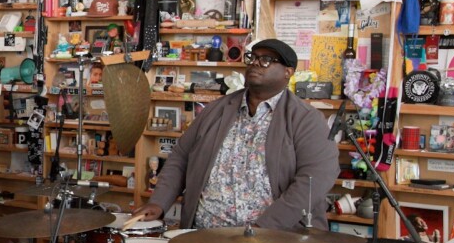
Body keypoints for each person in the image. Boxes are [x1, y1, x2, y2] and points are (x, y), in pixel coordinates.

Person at [133, 39, 338, 230]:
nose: (255, 63)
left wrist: (263, 229)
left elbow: (314, 180)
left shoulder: (306, 119)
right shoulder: (215, 110)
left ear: (288, 72)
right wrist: (159, 202)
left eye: (266, 60)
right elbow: (180, 158)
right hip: (204, 238)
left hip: (274, 241)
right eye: (252, 57)